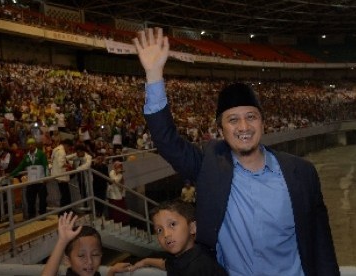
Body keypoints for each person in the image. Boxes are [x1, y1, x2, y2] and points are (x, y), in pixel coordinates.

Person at [133, 27, 339, 275]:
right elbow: (167, 141)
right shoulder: (208, 166)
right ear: (221, 129)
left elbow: (322, 244)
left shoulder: (302, 173)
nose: (243, 127)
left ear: (263, 123)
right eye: (233, 120)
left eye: (251, 117)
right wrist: (154, 75)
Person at [133, 199, 227, 275]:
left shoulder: (199, 266)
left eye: (172, 224)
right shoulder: (182, 258)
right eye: (159, 230)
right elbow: (167, 264)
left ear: (192, 228)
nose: (166, 234)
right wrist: (146, 261)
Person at [41, 211, 132, 276]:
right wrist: (62, 241)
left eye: (95, 254)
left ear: (101, 255)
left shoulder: (95, 274)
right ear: (68, 260)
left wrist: (111, 272)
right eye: (81, 255)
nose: (89, 261)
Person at [9, 138, 49, 219]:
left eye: (32, 144)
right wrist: (11, 174)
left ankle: (43, 215)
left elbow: (46, 166)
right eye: (29, 145)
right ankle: (31, 215)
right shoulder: (26, 156)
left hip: (41, 180)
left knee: (42, 199)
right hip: (31, 181)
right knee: (30, 199)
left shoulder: (41, 154)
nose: (30, 146)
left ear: (35, 145)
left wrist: (46, 177)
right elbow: (20, 167)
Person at [51, 139, 73, 212]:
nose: (68, 149)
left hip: (56, 174)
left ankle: (65, 212)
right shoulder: (62, 151)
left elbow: (52, 160)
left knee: (65, 195)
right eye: (69, 147)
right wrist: (69, 165)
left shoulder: (55, 149)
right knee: (65, 196)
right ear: (67, 145)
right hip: (62, 176)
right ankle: (63, 212)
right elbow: (61, 164)